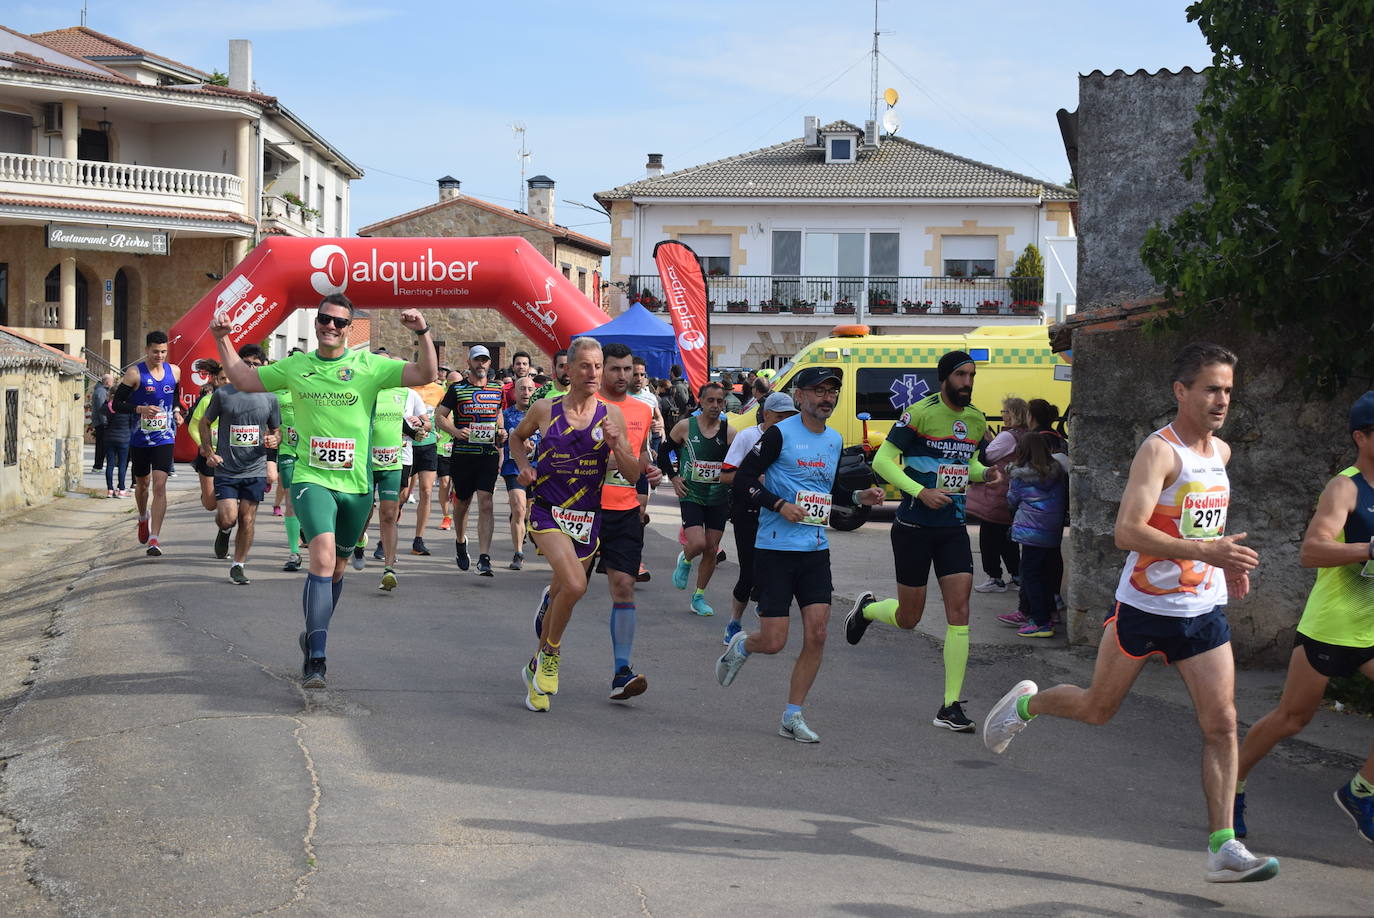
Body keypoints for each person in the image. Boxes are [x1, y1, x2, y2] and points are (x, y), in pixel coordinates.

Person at [982, 342, 1279, 884]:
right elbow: (1128, 531)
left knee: (1222, 723)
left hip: (1202, 608)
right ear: (1181, 391)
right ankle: (1026, 707)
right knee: (1098, 708)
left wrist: (1225, 561)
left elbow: (1200, 527)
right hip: (1144, 606)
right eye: (1211, 389)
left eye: (1228, 391)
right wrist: (1206, 552)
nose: (1221, 401)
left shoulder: (1222, 453)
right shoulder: (1159, 452)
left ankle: (1223, 846)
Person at [211, 294, 436, 690]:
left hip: (357, 485)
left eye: (338, 322)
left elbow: (424, 373)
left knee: (338, 568)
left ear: (350, 329)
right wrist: (221, 338)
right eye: (323, 320)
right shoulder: (298, 366)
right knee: (322, 556)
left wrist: (422, 331)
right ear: (315, 323)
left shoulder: (369, 366)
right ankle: (318, 657)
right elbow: (243, 379)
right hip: (311, 477)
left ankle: (313, 633)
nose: (329, 327)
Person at [1233, 391, 1374, 844]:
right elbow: (1312, 552)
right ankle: (1230, 784)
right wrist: (1368, 549)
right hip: (1333, 628)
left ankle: (1361, 791)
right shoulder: (1346, 487)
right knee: (1292, 719)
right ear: (1361, 437)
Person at [714, 367, 884, 742]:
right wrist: (778, 504)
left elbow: (830, 489)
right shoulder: (778, 434)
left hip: (815, 550)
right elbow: (743, 479)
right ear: (800, 397)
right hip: (774, 548)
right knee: (774, 641)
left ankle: (793, 715)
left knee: (818, 634)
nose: (827, 398)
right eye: (818, 391)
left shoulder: (835, 439)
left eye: (832, 392)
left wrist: (857, 497)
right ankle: (744, 643)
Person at [844, 350, 998, 733]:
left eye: (972, 375)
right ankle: (867, 610)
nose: (968, 382)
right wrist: (919, 491)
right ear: (945, 377)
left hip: (953, 527)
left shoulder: (977, 420)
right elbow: (882, 462)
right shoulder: (920, 413)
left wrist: (986, 473)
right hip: (913, 526)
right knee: (909, 618)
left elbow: (969, 465)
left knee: (959, 612)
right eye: (961, 375)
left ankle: (949, 704)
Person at [511, 337, 638, 713]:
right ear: (568, 370)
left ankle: (534, 671)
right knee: (576, 584)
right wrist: (524, 467)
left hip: (587, 518)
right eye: (585, 366)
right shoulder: (545, 409)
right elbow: (517, 440)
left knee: (564, 593)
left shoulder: (610, 416)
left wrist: (618, 447)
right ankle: (551, 653)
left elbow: (632, 475)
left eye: (598, 366)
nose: (594, 373)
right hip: (547, 511)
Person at [594, 342, 661, 700]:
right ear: (599, 370)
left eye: (627, 370)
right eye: (615, 369)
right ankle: (545, 652)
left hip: (624, 509)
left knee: (624, 586)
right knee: (568, 591)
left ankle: (622, 671)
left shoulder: (642, 409)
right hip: (583, 509)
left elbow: (641, 451)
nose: (623, 376)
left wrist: (651, 470)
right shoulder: (585, 408)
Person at [719, 391, 798, 645]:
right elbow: (726, 476)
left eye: (790, 416)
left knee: (777, 571)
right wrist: (758, 481)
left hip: (778, 515)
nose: (785, 421)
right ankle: (734, 621)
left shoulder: (792, 438)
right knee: (749, 572)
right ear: (766, 415)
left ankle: (765, 608)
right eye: (780, 417)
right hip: (749, 513)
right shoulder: (748, 437)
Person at [200, 344, 280, 584]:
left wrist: (274, 439)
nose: (250, 367)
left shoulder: (270, 396)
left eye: (255, 364)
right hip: (227, 467)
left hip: (254, 467)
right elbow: (204, 423)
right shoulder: (224, 394)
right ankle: (224, 531)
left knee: (247, 519)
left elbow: (277, 431)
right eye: (246, 363)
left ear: (263, 366)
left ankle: (238, 564)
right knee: (228, 517)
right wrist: (208, 452)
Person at [659, 382, 735, 615]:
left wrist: (730, 479)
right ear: (700, 402)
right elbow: (663, 452)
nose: (715, 405)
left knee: (712, 549)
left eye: (719, 401)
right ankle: (686, 559)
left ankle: (699, 597)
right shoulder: (685, 427)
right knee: (699, 543)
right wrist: (674, 477)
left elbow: (737, 465)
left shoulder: (729, 432)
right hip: (691, 494)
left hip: (717, 497)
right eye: (710, 400)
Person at [437, 345, 506, 576]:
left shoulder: (497, 389)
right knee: (462, 503)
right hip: (463, 455)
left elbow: (498, 416)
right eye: (477, 360)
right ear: (469, 363)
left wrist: (501, 432)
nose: (481, 364)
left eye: (485, 360)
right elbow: (439, 417)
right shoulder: (457, 389)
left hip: (487, 455)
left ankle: (484, 557)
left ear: (489, 364)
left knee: (486, 503)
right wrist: (456, 431)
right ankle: (460, 541)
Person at [112, 331, 183, 556]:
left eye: (163, 351)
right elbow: (116, 404)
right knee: (142, 484)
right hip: (140, 439)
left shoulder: (175, 371)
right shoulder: (134, 374)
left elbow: (175, 395)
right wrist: (140, 409)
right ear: (146, 350)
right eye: (155, 352)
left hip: (165, 436)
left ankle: (154, 538)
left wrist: (178, 411)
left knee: (160, 486)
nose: (159, 356)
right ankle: (143, 517)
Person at [1005, 432, 1069, 638]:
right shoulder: (1058, 472)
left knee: (1030, 576)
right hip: (1052, 530)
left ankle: (1041, 622)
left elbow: (1012, 501)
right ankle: (1051, 611)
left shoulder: (1019, 476)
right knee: (1046, 574)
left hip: (1031, 532)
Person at [968, 397, 1029, 593]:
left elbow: (989, 457)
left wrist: (985, 443)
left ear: (1013, 414)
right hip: (1013, 491)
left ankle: (994, 577)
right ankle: (1016, 575)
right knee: (1006, 537)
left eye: (1005, 411)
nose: (1002, 415)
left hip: (997, 491)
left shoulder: (1007, 436)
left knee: (989, 536)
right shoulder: (1026, 435)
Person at [364, 385, 411, 591]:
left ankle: (389, 569)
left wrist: (420, 427)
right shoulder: (364, 391)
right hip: (365, 463)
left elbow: (412, 420)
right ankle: (358, 542)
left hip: (392, 463)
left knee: (389, 514)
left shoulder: (403, 393)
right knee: (364, 511)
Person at [407, 364, 447, 557]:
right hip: (406, 445)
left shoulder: (439, 390)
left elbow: (441, 415)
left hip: (428, 445)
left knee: (427, 491)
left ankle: (418, 539)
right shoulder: (408, 388)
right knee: (403, 495)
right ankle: (386, 536)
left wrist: (438, 432)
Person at [500, 376, 538, 569]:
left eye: (530, 389)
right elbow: (498, 440)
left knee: (531, 511)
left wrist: (533, 447)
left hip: (539, 469)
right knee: (518, 508)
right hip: (514, 467)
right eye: (522, 389)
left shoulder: (543, 414)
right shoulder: (506, 416)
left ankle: (530, 531)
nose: (526, 393)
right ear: (514, 392)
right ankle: (518, 553)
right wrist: (502, 438)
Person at [187, 359, 228, 513]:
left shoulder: (240, 400)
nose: (227, 381)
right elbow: (193, 426)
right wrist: (202, 446)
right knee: (210, 504)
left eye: (230, 377)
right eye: (223, 378)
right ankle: (207, 495)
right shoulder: (206, 401)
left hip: (230, 456)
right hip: (208, 454)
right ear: (216, 380)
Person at [436, 366, 462, 531]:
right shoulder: (441, 397)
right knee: (445, 482)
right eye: (450, 383)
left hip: (460, 447)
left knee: (457, 485)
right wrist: (434, 432)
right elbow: (432, 415)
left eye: (457, 383)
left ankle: (455, 503)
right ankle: (446, 516)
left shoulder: (467, 398)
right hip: (441, 447)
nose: (453, 387)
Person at [103, 389, 134, 498]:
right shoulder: (127, 408)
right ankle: (121, 489)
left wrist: (108, 400)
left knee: (110, 465)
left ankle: (110, 490)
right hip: (124, 438)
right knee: (122, 464)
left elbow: (102, 414)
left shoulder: (108, 406)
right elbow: (133, 423)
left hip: (109, 438)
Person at [90, 373, 112, 472]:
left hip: (100, 422)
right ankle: (98, 466)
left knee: (102, 445)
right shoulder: (101, 392)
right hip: (101, 423)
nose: (112, 383)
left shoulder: (101, 390)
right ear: (107, 382)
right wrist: (105, 422)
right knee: (101, 445)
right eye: (111, 381)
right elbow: (101, 409)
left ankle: (98, 465)